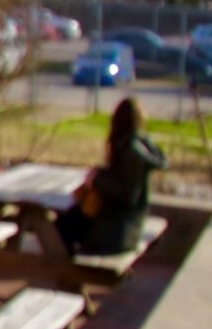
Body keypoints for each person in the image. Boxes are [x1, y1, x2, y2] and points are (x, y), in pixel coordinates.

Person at [59, 97, 167, 257]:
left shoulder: (131, 151)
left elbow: (127, 194)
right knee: (68, 220)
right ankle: (67, 265)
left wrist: (96, 180)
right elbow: (122, 178)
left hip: (119, 229)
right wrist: (100, 173)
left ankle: (69, 269)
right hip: (125, 222)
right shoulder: (135, 144)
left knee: (63, 226)